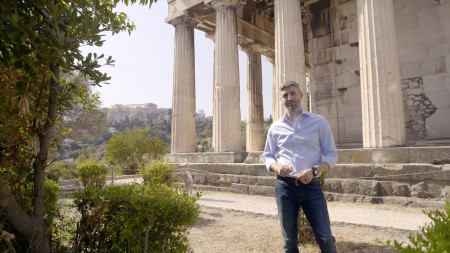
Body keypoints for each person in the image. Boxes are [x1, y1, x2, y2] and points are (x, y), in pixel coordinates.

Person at [263, 80, 338, 253]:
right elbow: (267, 155)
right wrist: (276, 167)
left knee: (325, 238)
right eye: (285, 95)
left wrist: (314, 170)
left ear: (301, 95)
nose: (290, 98)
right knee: (289, 241)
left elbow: (332, 154)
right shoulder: (275, 128)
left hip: (312, 187)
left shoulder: (319, 122)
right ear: (281, 99)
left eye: (293, 93)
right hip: (285, 187)